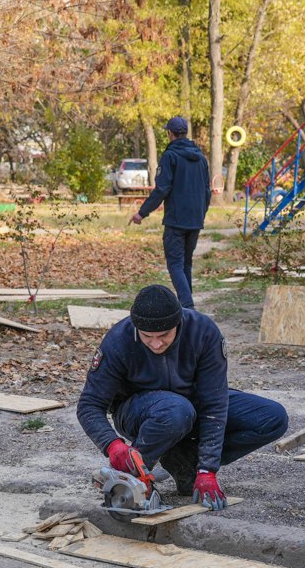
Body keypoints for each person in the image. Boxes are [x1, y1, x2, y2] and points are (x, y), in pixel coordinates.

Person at [77, 284, 288, 509]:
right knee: (176, 410)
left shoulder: (203, 332)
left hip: (191, 404)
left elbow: (214, 403)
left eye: (164, 335)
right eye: (147, 336)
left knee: (272, 418)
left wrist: (207, 470)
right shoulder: (118, 340)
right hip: (139, 412)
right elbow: (89, 405)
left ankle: (184, 461)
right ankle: (132, 477)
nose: (156, 343)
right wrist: (113, 445)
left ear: (179, 323)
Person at [128, 116, 210, 310]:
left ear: (170, 134)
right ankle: (187, 307)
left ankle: (187, 306)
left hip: (176, 220)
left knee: (175, 264)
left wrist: (142, 213)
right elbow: (206, 191)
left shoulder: (170, 156)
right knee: (186, 264)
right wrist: (201, 213)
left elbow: (162, 188)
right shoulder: (201, 159)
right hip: (195, 220)